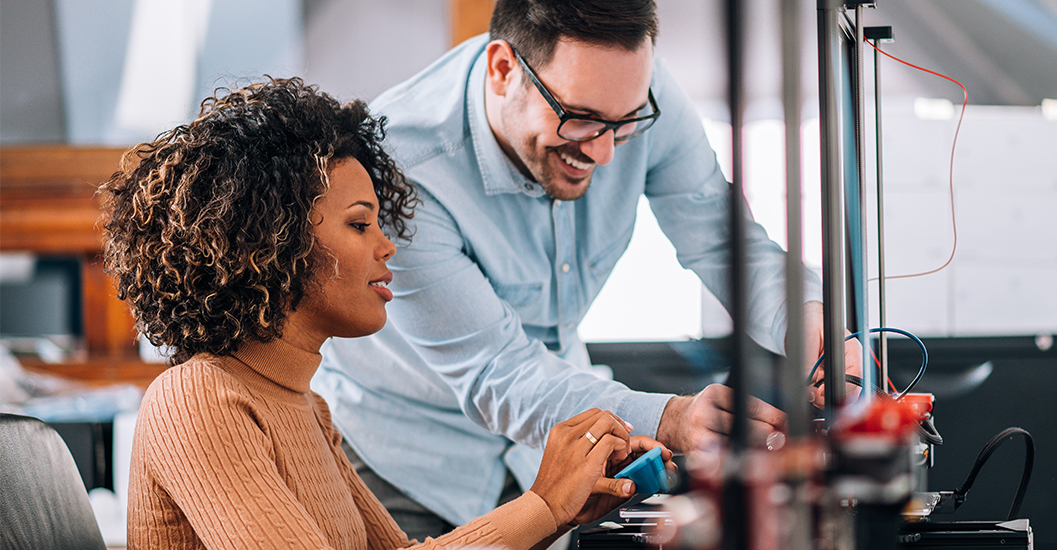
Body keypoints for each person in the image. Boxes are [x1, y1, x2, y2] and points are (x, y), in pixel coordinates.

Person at [314, 0, 863, 538]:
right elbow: (497, 373)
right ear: (504, 69)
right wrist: (669, 418)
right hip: (407, 462)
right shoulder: (402, 167)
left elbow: (722, 240)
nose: (604, 155)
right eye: (581, 120)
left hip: (550, 440)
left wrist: (809, 323)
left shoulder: (636, 91)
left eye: (624, 126)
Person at [102, 77, 666, 549]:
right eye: (358, 223)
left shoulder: (308, 409)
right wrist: (541, 504)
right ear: (269, 242)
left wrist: (560, 509)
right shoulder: (197, 399)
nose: (387, 246)